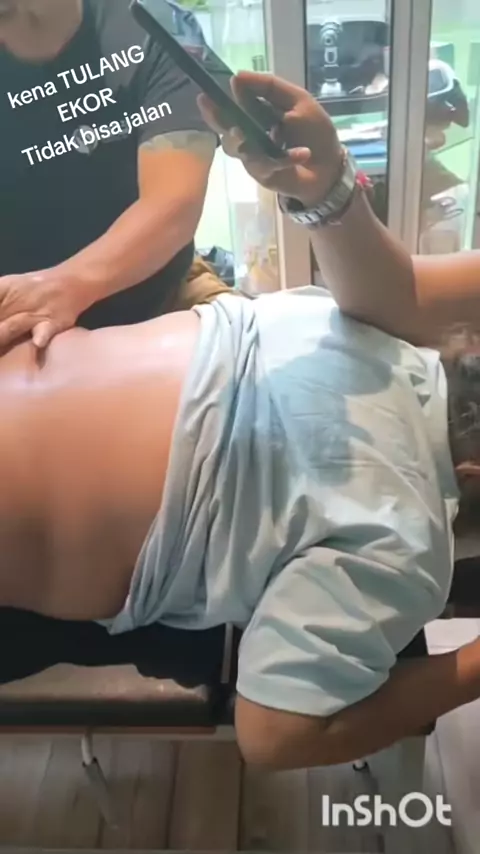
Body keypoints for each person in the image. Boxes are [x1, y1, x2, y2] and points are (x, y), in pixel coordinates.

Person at [3, 70, 480, 774]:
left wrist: (328, 188)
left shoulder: (341, 322)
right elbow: (273, 736)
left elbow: (399, 293)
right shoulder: (402, 549)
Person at [0, 0, 220, 348]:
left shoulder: (155, 24)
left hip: (160, 301)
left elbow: (173, 204)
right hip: (15, 319)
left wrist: (65, 286)